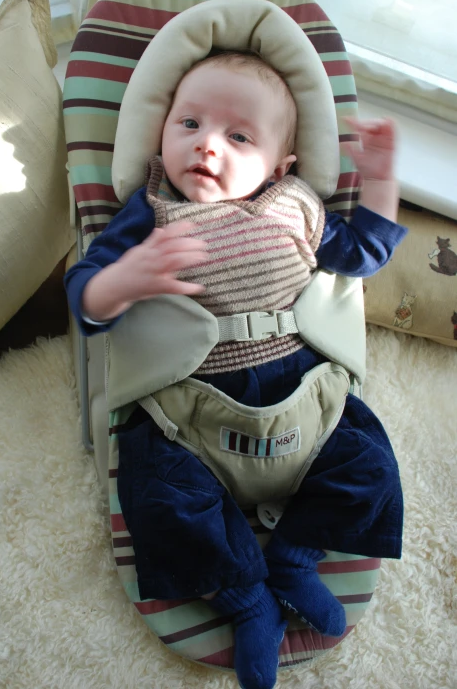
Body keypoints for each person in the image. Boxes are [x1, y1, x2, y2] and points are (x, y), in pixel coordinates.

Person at [65, 51, 407, 689]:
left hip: (305, 401)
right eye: (188, 124)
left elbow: (363, 253)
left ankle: (295, 559)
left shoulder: (298, 207)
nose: (206, 146)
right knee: (157, 499)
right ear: (161, 129)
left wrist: (382, 178)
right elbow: (85, 300)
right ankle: (246, 598)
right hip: (190, 416)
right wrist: (122, 279)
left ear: (282, 165)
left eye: (238, 136)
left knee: (370, 464)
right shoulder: (150, 212)